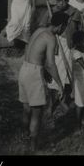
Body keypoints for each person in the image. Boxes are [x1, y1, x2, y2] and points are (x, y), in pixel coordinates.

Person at [18, 12, 69, 153]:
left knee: (26, 108)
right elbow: (51, 64)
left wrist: (43, 70)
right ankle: (35, 148)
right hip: (34, 73)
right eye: (65, 27)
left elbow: (31, 50)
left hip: (24, 69)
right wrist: (59, 84)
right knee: (36, 113)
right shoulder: (51, 38)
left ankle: (24, 138)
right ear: (60, 25)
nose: (64, 30)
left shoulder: (39, 30)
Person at [40, 0, 81, 112]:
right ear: (55, 0)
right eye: (58, 1)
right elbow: (42, 27)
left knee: (67, 75)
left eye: (64, 1)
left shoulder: (75, 12)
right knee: (55, 74)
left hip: (69, 47)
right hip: (55, 47)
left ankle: (63, 100)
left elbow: (79, 30)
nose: (61, 3)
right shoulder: (50, 11)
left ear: (68, 0)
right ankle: (52, 102)